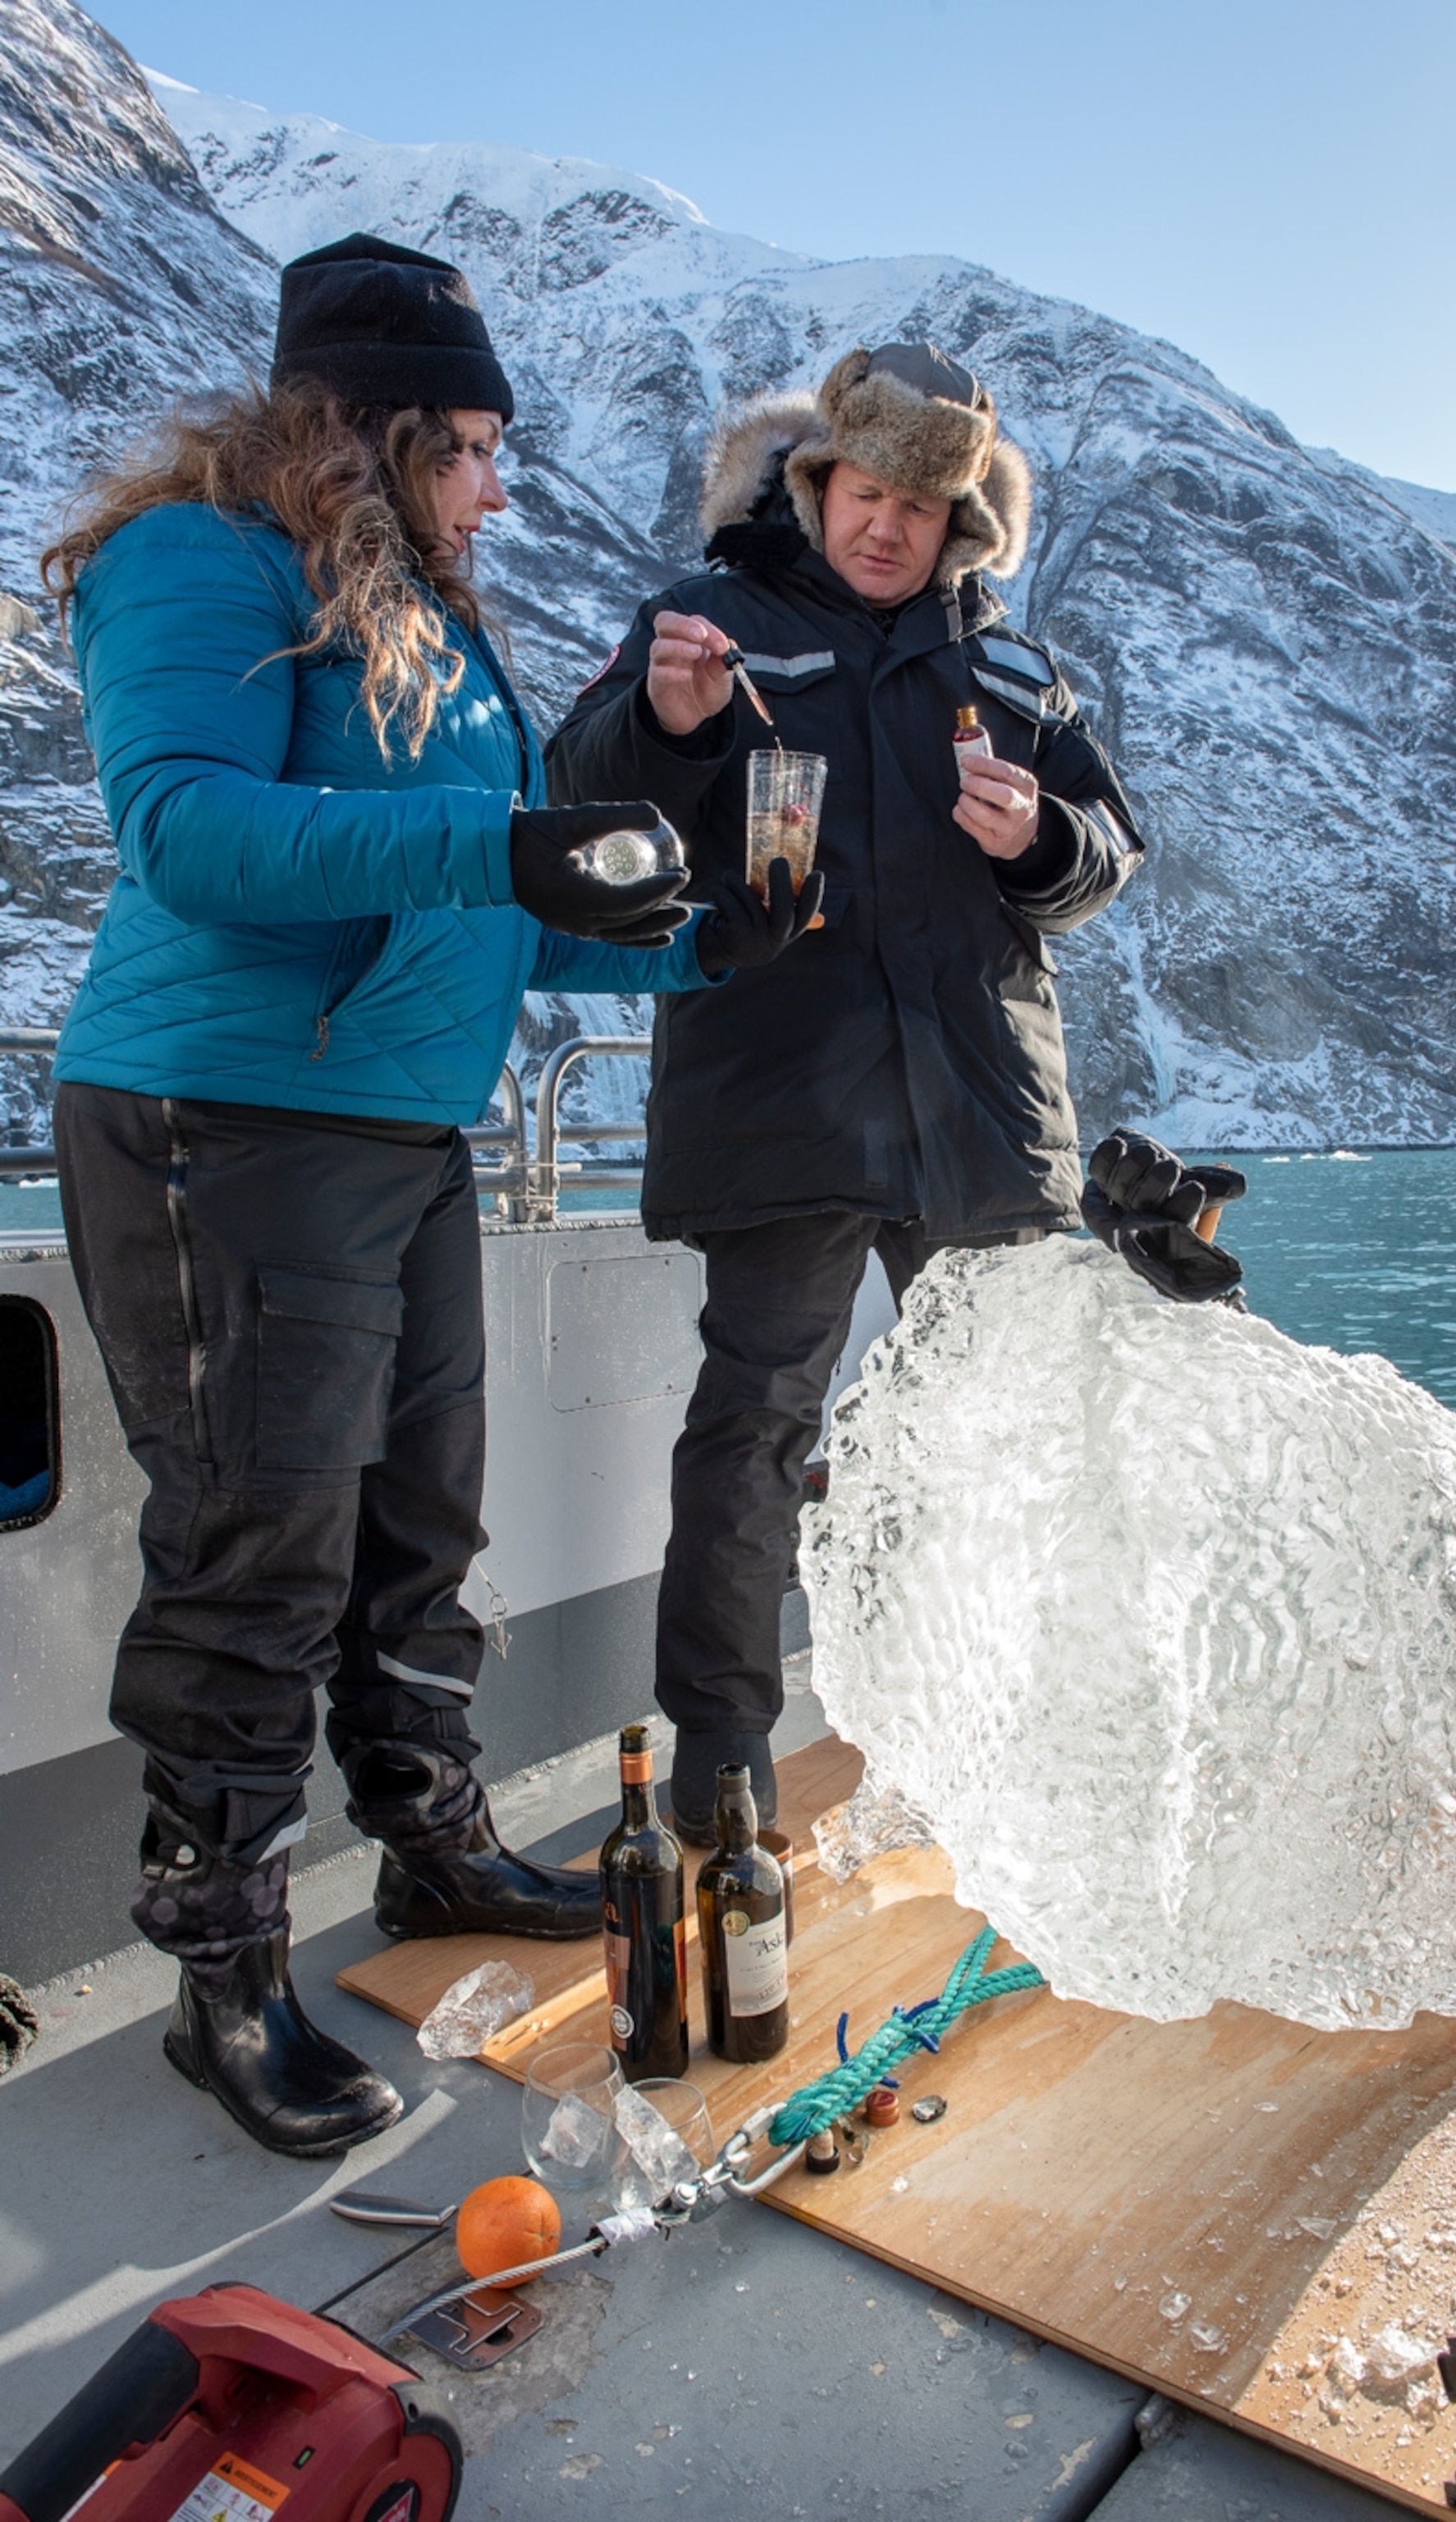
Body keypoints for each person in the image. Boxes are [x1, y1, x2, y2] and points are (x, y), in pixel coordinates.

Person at [40, 232, 813, 2158]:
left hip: (399, 1128)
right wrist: (507, 839)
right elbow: (191, 832)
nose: (495, 482)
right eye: (469, 441)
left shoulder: (420, 603)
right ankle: (221, 1979)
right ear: (367, 429)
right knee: (257, 1556)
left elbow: (479, 911)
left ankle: (431, 1853)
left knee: (418, 1523)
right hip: (224, 1118)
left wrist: (702, 943)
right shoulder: (199, 555)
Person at [547, 341, 1144, 1841]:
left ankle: (985, 1717)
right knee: (753, 1424)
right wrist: (669, 723)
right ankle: (721, 1744)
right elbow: (577, 785)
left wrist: (1044, 843)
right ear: (816, 485)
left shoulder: (1014, 666)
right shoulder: (702, 620)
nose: (887, 527)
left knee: (990, 1432)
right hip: (783, 1099)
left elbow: (1112, 846)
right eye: (864, 493)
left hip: (974, 1110)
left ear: (963, 524)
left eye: (921, 508)